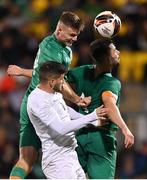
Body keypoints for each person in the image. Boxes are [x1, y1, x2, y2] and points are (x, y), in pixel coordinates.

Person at [7, 11, 94, 179]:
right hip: (40, 102)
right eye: (72, 34)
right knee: (29, 158)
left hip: (48, 101)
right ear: (59, 30)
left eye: (77, 35)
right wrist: (77, 99)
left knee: (29, 159)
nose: (75, 39)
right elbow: (53, 80)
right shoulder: (51, 48)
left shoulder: (64, 49)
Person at [66, 38, 134, 179]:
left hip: (79, 137)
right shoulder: (111, 82)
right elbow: (109, 105)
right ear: (106, 58)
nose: (118, 52)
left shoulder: (81, 72)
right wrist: (125, 129)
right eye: (114, 51)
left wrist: (24, 71)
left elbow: (55, 78)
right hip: (101, 141)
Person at [27, 61, 108, 179]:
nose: (64, 82)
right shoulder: (37, 100)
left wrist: (93, 121)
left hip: (70, 154)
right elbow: (61, 128)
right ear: (51, 82)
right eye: (62, 79)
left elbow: (66, 111)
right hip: (57, 161)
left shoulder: (54, 92)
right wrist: (91, 116)